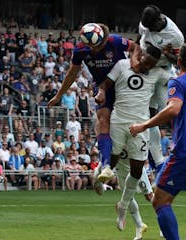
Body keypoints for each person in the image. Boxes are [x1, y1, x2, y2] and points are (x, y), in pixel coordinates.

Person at [47, 23, 139, 187]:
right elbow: (72, 73)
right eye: (91, 47)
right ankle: (105, 167)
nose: (94, 50)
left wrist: (133, 64)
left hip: (122, 84)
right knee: (102, 120)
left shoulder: (115, 41)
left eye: (97, 46)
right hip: (101, 86)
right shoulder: (80, 49)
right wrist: (58, 95)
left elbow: (136, 47)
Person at [95, 45, 167, 230]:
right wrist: (102, 92)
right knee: (111, 161)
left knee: (137, 170)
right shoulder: (122, 65)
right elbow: (106, 83)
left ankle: (123, 206)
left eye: (151, 65)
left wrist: (171, 55)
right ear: (140, 56)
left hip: (141, 126)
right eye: (145, 62)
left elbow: (177, 75)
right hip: (118, 121)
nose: (147, 67)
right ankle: (99, 179)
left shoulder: (158, 73)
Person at [129, 44, 186, 240]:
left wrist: (144, 125)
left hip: (184, 153)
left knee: (160, 200)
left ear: (179, 62)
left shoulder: (178, 83)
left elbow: (173, 109)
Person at [135, 5, 185, 177]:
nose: (149, 30)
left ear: (159, 20)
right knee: (147, 115)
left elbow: (178, 60)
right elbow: (139, 37)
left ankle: (175, 155)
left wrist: (167, 54)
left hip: (163, 70)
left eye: (152, 27)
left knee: (173, 113)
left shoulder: (175, 36)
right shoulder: (146, 24)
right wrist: (137, 57)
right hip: (146, 69)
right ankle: (159, 163)